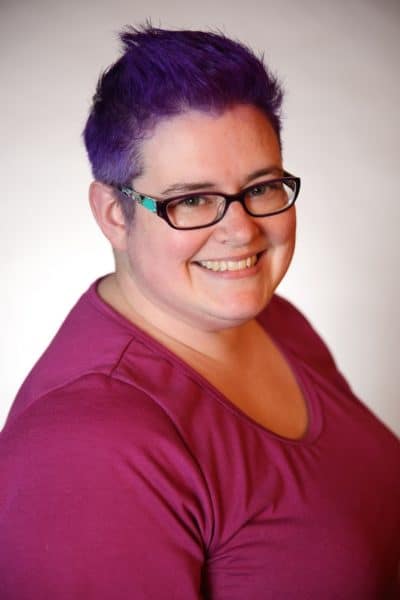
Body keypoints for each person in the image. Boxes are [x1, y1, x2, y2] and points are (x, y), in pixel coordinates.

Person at [0, 24, 399, 600]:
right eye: (192, 199)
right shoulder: (86, 449)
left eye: (261, 187)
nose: (240, 231)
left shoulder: (277, 322)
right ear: (114, 212)